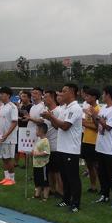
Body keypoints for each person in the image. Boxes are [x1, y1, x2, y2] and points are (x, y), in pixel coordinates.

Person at [42, 83, 83, 212]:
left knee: (73, 177)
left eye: (63, 92)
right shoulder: (64, 108)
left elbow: (65, 126)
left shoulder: (75, 108)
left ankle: (76, 203)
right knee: (65, 176)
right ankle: (66, 199)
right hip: (62, 147)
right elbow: (56, 126)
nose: (60, 94)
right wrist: (50, 118)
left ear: (71, 92)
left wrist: (51, 117)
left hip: (71, 148)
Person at [92, 85, 112, 207]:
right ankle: (104, 195)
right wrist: (94, 117)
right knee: (102, 173)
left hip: (111, 148)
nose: (102, 96)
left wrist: (97, 116)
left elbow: (108, 127)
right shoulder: (104, 108)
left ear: (108, 95)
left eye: (104, 94)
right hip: (101, 146)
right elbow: (97, 125)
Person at [0, 87, 19, 186]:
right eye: (0, 94)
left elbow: (14, 122)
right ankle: (6, 177)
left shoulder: (12, 107)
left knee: (9, 158)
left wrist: (6, 135)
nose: (0, 95)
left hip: (9, 137)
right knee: (3, 158)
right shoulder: (1, 106)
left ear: (8, 95)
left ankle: (12, 179)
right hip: (1, 136)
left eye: (2, 94)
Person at [43, 89, 64, 198]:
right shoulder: (46, 110)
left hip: (56, 144)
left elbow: (57, 127)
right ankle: (52, 188)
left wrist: (50, 117)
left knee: (57, 171)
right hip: (47, 144)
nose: (44, 99)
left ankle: (60, 190)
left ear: (52, 97)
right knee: (50, 169)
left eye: (46, 97)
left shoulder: (58, 111)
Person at [81, 88, 101, 193]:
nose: (86, 98)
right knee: (89, 165)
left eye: (88, 96)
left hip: (94, 141)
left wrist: (84, 123)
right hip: (86, 139)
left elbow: (97, 126)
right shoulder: (89, 108)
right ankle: (93, 186)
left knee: (96, 165)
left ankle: (101, 186)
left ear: (94, 97)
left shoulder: (97, 109)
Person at [32, 122, 51, 200]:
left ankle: (45, 196)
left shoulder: (45, 141)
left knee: (44, 181)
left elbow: (47, 152)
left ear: (41, 131)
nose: (35, 131)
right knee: (37, 180)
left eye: (37, 130)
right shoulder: (39, 140)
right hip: (36, 164)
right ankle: (37, 194)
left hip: (42, 165)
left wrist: (37, 154)